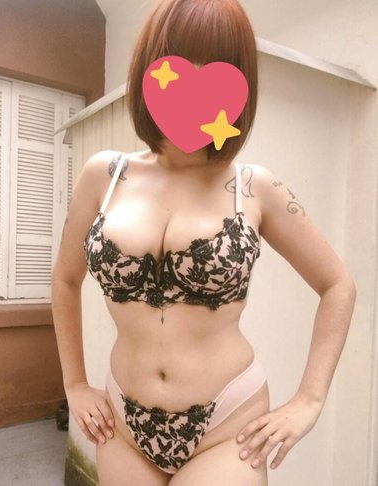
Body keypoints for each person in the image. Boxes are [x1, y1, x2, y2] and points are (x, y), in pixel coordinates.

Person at [51, 0, 356, 484]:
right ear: (150, 68)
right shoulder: (103, 176)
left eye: (214, 64)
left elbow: (337, 284)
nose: (192, 76)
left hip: (227, 425)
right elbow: (66, 280)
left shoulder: (254, 188)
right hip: (123, 421)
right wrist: (75, 384)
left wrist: (309, 399)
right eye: (178, 59)